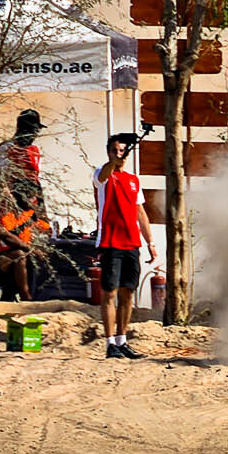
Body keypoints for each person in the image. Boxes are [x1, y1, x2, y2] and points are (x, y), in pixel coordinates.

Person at [95, 133, 157, 360]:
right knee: (109, 292)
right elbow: (103, 174)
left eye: (122, 151)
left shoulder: (133, 180)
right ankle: (110, 343)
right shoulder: (102, 175)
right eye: (114, 150)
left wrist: (150, 242)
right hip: (111, 242)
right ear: (108, 152)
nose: (119, 154)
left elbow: (141, 213)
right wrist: (114, 161)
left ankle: (122, 341)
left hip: (132, 243)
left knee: (128, 292)